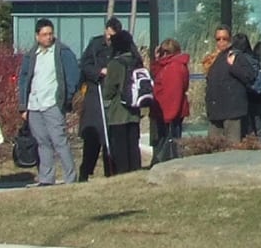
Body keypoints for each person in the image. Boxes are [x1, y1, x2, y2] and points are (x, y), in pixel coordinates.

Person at [17, 19, 81, 186]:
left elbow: (73, 76)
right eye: (44, 34)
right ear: (37, 36)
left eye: (50, 34)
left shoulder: (62, 52)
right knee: (42, 142)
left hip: (53, 103)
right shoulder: (31, 56)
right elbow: (24, 80)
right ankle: (46, 177)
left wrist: (65, 99)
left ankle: (70, 177)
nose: (48, 37)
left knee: (59, 141)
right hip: (34, 104)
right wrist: (23, 106)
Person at [76, 18, 122, 181]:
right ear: (105, 30)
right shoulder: (95, 45)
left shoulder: (122, 45)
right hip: (95, 94)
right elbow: (84, 66)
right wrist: (99, 72)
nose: (110, 39)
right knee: (93, 137)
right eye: (109, 35)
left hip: (113, 95)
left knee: (111, 135)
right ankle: (85, 171)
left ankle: (111, 170)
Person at [101, 30, 144, 174]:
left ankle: (122, 172)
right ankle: (135, 170)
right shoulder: (137, 60)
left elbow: (108, 92)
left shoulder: (115, 63)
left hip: (118, 112)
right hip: (134, 110)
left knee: (120, 147)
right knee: (133, 145)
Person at [205, 26, 254, 140]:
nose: (221, 42)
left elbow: (249, 76)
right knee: (213, 146)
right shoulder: (214, 58)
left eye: (224, 38)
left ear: (230, 39)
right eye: (218, 39)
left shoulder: (236, 55)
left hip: (232, 112)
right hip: (215, 111)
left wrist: (233, 66)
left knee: (232, 149)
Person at [151, 38, 190, 163]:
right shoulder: (167, 65)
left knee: (170, 142)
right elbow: (157, 75)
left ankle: (169, 163)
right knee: (164, 142)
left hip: (169, 112)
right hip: (163, 111)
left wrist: (169, 116)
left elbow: (174, 93)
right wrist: (157, 60)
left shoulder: (174, 67)